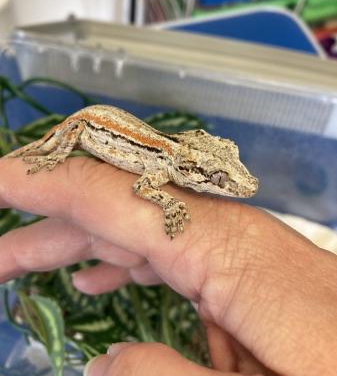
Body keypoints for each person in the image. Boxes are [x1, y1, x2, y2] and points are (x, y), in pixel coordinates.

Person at [0, 156, 336, 376]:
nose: (241, 186)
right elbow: (142, 186)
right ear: (190, 170)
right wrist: (170, 203)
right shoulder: (162, 169)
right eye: (220, 178)